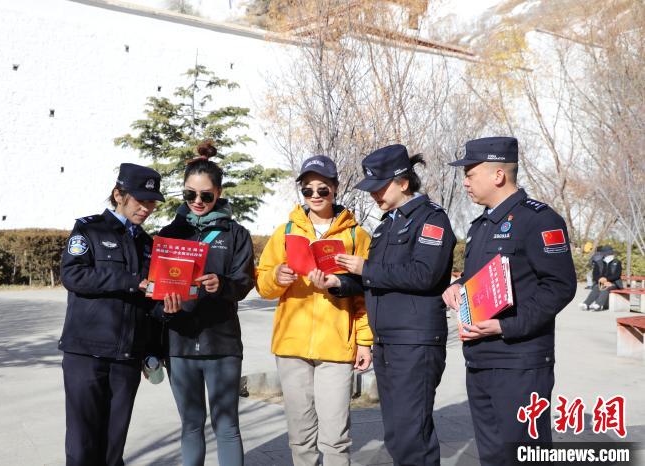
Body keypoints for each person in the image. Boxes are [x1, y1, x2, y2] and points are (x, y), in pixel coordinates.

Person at [442, 136, 577, 466]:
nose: (465, 182)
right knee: (492, 455)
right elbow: (480, 277)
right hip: (480, 358)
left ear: (498, 175)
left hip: (520, 362)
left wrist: (506, 326)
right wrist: (458, 286)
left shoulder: (539, 220)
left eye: (470, 174)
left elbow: (560, 286)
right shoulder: (480, 226)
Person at [334, 144, 456, 466]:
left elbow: (424, 274)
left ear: (403, 182)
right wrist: (339, 284)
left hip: (415, 342)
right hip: (388, 342)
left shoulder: (431, 219)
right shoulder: (386, 225)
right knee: (397, 434)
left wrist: (365, 268)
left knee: (412, 436)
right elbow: (377, 279)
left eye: (379, 186)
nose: (373, 194)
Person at [256, 154, 373, 466]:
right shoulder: (285, 232)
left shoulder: (356, 235)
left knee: (336, 437)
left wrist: (364, 341)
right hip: (291, 347)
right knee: (300, 436)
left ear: (335, 188)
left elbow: (366, 294)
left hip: (336, 347)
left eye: (323, 189)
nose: (315, 195)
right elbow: (263, 286)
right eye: (308, 190)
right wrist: (276, 277)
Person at [59, 163, 164, 466]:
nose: (147, 208)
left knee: (113, 447)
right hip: (86, 354)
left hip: (126, 358)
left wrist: (155, 346)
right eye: (141, 200)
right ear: (119, 195)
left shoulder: (147, 244)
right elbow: (73, 275)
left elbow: (150, 302)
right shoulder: (89, 230)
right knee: (82, 446)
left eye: (152, 202)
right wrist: (130, 281)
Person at [158, 141, 255, 466]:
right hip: (181, 344)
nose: (197, 202)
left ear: (219, 193)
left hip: (222, 344)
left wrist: (221, 284)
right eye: (190, 195)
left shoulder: (236, 234)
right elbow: (156, 290)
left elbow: (244, 282)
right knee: (190, 425)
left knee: (227, 426)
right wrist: (165, 307)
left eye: (206, 195)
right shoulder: (169, 234)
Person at [580, 245, 622, 311]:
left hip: (614, 283)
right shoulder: (598, 263)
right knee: (597, 287)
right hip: (601, 282)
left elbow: (617, 275)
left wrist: (607, 280)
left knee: (605, 287)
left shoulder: (617, 262)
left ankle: (598, 304)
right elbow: (595, 275)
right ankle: (586, 304)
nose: (609, 255)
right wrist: (601, 280)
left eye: (609, 254)